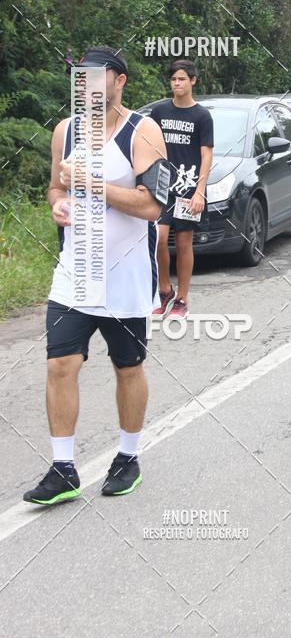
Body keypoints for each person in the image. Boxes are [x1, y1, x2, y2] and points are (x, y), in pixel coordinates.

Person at [23, 47, 167, 505]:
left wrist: (90, 184)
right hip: (75, 271)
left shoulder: (143, 132)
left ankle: (128, 456)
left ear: (120, 81)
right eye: (80, 78)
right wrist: (58, 203)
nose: (86, 86)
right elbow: (55, 186)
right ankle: (64, 468)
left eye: (96, 77)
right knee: (59, 365)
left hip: (126, 274)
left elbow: (152, 205)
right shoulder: (65, 132)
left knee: (128, 367)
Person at [150, 59, 214, 320]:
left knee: (185, 242)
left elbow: (206, 155)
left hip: (189, 189)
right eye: (174, 79)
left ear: (193, 81)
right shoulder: (159, 112)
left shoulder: (201, 116)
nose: (177, 83)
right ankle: (164, 289)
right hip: (162, 186)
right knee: (159, 240)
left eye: (182, 79)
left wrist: (200, 191)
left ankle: (182, 299)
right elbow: (149, 146)